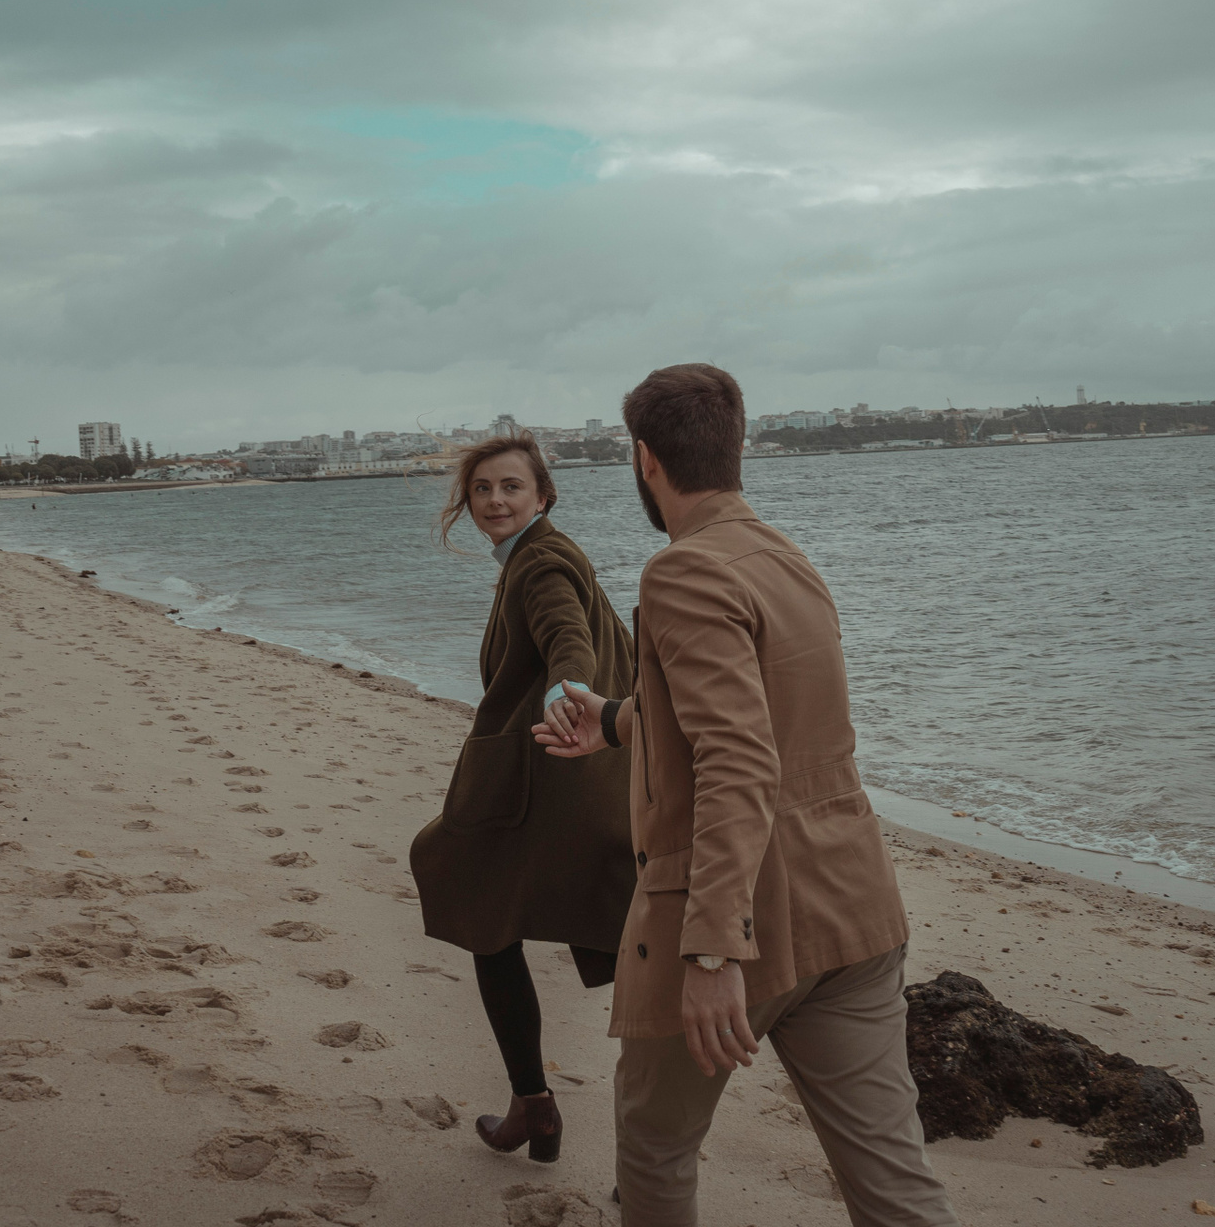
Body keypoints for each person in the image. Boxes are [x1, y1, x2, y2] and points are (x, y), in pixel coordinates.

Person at [535, 366, 959, 1227]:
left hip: (734, 917)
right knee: (893, 1180)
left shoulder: (682, 572)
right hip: (851, 908)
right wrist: (614, 720)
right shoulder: (786, 558)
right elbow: (760, 717)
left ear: (645, 460)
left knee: (654, 1149)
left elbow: (736, 757)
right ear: (737, 448)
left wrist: (712, 953)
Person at [408, 430, 636, 1165]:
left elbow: (566, 635)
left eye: (511, 486)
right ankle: (557, 1115)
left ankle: (545, 1108)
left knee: (473, 895)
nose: (495, 500)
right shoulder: (541, 554)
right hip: (588, 780)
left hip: (551, 779)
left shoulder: (539, 563)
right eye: (482, 489)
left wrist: (567, 692)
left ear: (543, 495)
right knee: (620, 940)